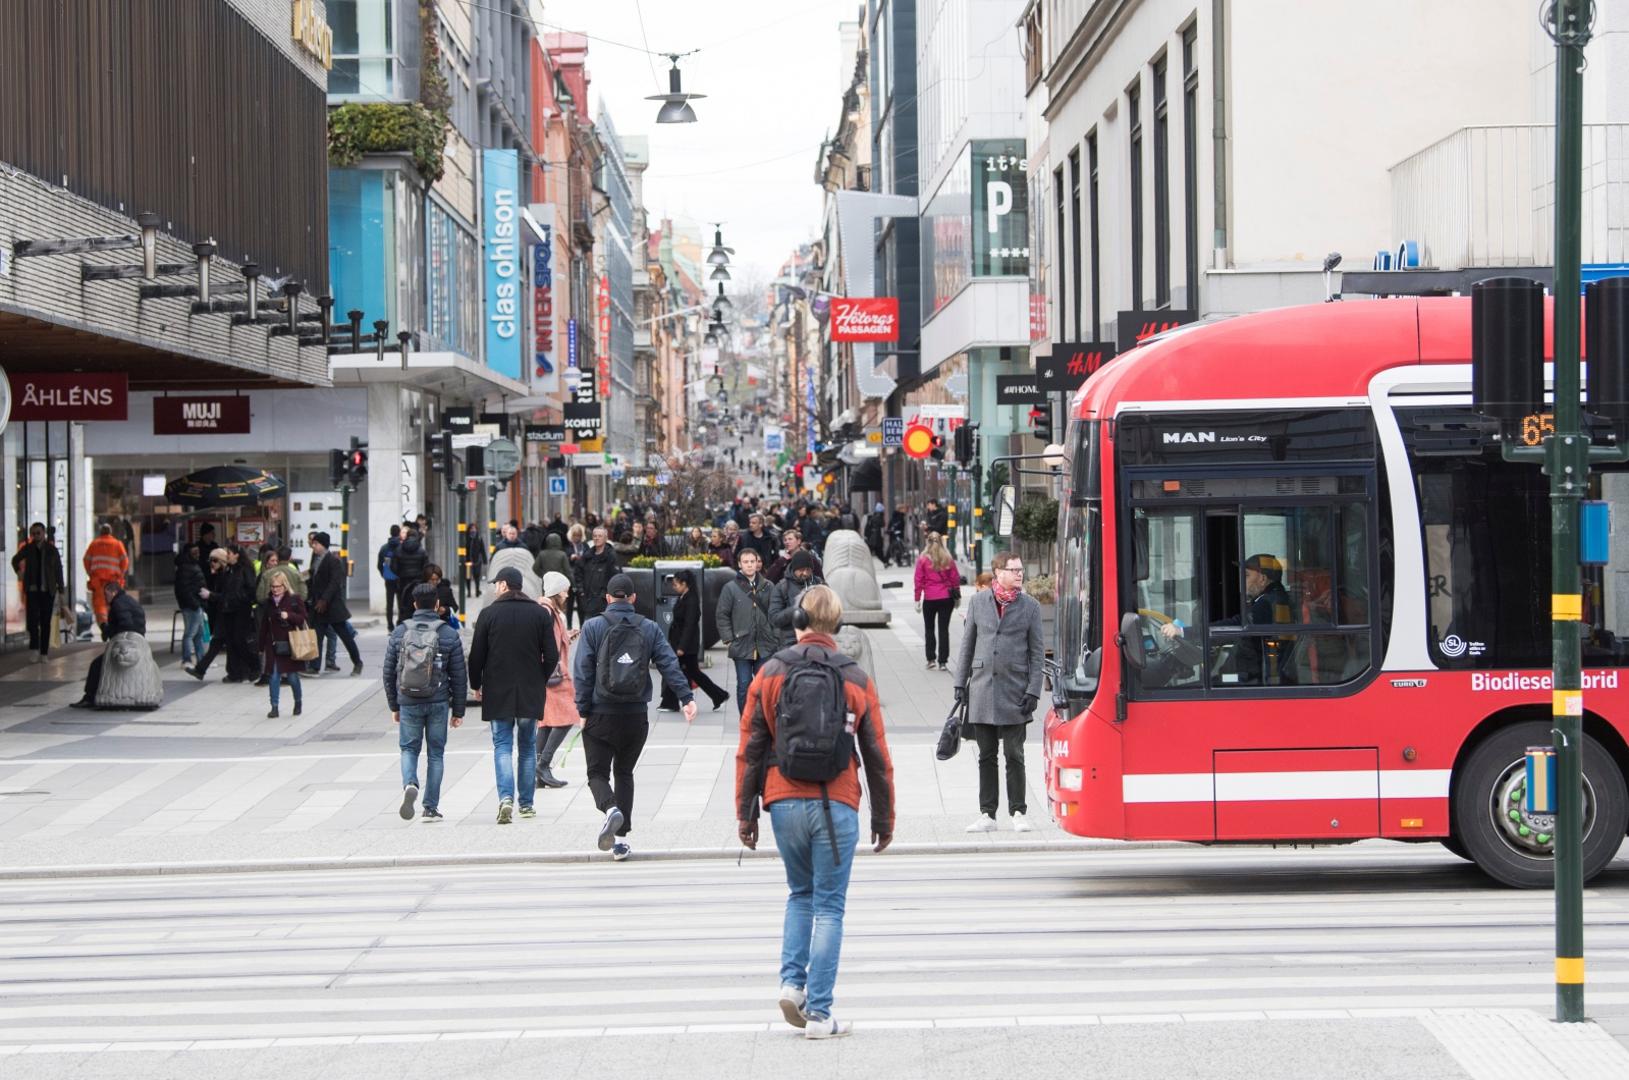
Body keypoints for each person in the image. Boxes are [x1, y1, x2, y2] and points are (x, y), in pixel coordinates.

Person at [734, 585, 896, 1039]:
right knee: (830, 907)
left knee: (799, 894)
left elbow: (750, 747)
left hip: (782, 801)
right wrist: (883, 820)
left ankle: (792, 983)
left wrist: (746, 814)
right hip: (837, 803)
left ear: (798, 621)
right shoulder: (855, 677)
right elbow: (878, 757)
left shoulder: (770, 672)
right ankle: (820, 1014)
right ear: (838, 626)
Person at [573, 573, 697, 860]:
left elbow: (583, 672)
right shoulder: (649, 627)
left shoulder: (592, 627)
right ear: (632, 598)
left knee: (596, 773)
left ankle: (610, 809)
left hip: (600, 713)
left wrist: (582, 710)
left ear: (607, 598)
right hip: (635, 715)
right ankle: (619, 840)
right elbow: (668, 662)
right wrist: (686, 698)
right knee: (624, 773)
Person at [954, 552, 1045, 834]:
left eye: (1020, 569)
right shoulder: (979, 601)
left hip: (1015, 690)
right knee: (986, 755)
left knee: (1015, 754)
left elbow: (1037, 652)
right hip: (982, 688)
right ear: (998, 572)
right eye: (1014, 569)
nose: (1020, 574)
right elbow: (967, 644)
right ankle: (987, 814)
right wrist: (960, 683)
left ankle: (1018, 811)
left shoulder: (1030, 606)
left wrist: (1033, 690)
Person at [467, 566, 559, 824]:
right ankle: (527, 804)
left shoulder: (488, 615)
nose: (495, 588)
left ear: (505, 585)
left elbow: (476, 656)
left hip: (498, 690)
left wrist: (477, 684)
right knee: (528, 748)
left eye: (497, 584)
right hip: (530, 690)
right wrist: (539, 678)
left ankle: (505, 798)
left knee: (503, 746)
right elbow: (551, 654)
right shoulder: (539, 615)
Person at [384, 583, 468, 822]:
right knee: (436, 754)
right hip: (438, 701)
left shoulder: (400, 632)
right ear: (438, 605)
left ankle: (410, 783)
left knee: (409, 748)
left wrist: (394, 705)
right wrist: (458, 710)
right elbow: (459, 675)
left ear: (414, 605)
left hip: (408, 700)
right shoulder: (448, 633)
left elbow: (389, 671)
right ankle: (430, 807)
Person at [1157, 552, 1293, 685]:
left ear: (1262, 579)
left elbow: (1234, 627)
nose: (1242, 581)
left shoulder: (1265, 604)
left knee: (1184, 692)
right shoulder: (1274, 598)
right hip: (1251, 675)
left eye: (1246, 575)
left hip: (1250, 679)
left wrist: (1183, 632)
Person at [718, 548, 779, 715]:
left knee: (763, 685)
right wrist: (729, 639)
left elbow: (775, 613)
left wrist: (775, 638)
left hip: (765, 644)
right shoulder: (730, 588)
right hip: (741, 643)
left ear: (758, 563)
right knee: (744, 684)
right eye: (746, 562)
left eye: (753, 561)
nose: (750, 565)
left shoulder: (768, 586)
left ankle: (762, 718)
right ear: (739, 564)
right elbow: (722, 614)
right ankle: (746, 719)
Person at [659, 568, 730, 712]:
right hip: (682, 644)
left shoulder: (691, 600)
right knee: (690, 673)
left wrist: (682, 647)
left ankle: (670, 702)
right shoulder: (685, 597)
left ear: (685, 584)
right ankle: (718, 695)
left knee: (675, 671)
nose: (674, 587)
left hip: (686, 646)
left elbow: (689, 625)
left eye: (676, 584)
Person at [72, 580, 147, 708]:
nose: (105, 599)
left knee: (97, 665)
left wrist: (107, 629)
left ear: (113, 592)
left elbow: (126, 624)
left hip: (127, 646)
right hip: (135, 644)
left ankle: (90, 697)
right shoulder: (127, 600)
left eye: (106, 595)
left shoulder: (118, 604)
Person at [188, 547, 256, 682]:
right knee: (227, 643)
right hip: (226, 611)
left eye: (214, 560)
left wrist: (212, 595)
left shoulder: (235, 571)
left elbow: (232, 593)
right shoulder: (226, 572)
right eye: (210, 561)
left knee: (233, 642)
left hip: (234, 611)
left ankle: (250, 669)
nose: (211, 563)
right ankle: (236, 672)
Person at [536, 571, 578, 789]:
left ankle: (538, 771)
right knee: (567, 716)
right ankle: (543, 765)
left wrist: (567, 636)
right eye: (565, 590)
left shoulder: (545, 610)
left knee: (546, 721)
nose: (567, 595)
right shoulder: (548, 613)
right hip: (554, 675)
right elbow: (548, 647)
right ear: (557, 592)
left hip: (545, 674)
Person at [307, 534, 363, 676]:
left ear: (323, 545)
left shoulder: (333, 561)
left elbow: (334, 583)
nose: (313, 546)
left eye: (316, 544)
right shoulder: (315, 559)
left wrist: (324, 599)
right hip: (318, 608)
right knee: (317, 636)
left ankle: (357, 662)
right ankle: (314, 667)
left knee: (345, 636)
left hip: (332, 607)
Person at [256, 575, 308, 718]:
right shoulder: (268, 603)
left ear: (284, 586)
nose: (275, 590)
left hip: (291, 644)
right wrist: (260, 647)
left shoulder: (294, 600)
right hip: (273, 645)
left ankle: (298, 702)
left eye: (278, 586)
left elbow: (303, 618)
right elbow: (264, 626)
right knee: (274, 676)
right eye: (273, 587)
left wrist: (289, 615)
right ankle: (274, 707)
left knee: (292, 677)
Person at [12, 521, 65, 660]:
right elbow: (15, 560)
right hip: (32, 590)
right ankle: (34, 649)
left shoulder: (51, 550)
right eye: (33, 533)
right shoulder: (28, 548)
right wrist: (19, 572)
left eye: (38, 533)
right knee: (32, 621)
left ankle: (44, 653)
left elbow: (58, 570)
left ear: (44, 533)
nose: (36, 536)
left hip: (48, 590)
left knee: (45, 621)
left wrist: (62, 590)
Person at [913, 533, 962, 670]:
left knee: (929, 629)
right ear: (942, 542)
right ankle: (943, 661)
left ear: (927, 542)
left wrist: (917, 599)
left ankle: (931, 659)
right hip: (946, 598)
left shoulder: (922, 559)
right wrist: (957, 597)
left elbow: (918, 580)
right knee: (943, 630)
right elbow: (955, 579)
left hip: (930, 598)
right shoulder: (948, 558)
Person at [769, 550, 823, 650]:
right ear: (794, 569)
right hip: (790, 642)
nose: (805, 573)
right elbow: (774, 619)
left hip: (816, 639)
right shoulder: (782, 587)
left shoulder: (819, 584)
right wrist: (795, 610)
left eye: (808, 570)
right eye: (801, 570)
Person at [83, 523, 130, 630]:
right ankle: (113, 627)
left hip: (98, 581)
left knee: (100, 606)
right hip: (113, 581)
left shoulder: (94, 544)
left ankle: (103, 626)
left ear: (101, 532)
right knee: (114, 604)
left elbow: (86, 560)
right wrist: (120, 575)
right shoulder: (117, 544)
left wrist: (91, 573)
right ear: (110, 532)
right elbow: (125, 561)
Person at [574, 526, 620, 623]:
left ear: (605, 538)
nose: (597, 538)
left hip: (604, 603)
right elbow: (578, 574)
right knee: (587, 630)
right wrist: (581, 592)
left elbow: (615, 578)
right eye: (595, 536)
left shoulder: (611, 557)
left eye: (600, 536)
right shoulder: (587, 556)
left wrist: (604, 595)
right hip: (587, 601)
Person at [172, 542, 207, 666]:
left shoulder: (189, 566)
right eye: (194, 553)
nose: (197, 555)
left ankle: (201, 659)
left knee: (198, 633)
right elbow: (183, 589)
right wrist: (196, 604)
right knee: (191, 633)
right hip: (192, 605)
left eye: (198, 552)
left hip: (194, 604)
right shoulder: (186, 567)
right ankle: (186, 659)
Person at [391, 527, 429, 616]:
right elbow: (426, 567)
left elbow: (393, 568)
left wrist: (399, 576)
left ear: (407, 536)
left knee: (403, 606)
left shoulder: (398, 550)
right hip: (418, 583)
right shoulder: (422, 551)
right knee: (417, 605)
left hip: (403, 583)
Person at [377, 524, 401, 630]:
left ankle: (390, 626)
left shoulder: (384, 548)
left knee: (389, 604)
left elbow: (379, 565)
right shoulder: (402, 546)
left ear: (390, 533)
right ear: (399, 533)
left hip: (389, 579)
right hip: (400, 579)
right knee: (401, 603)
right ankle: (400, 623)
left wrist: (384, 574)